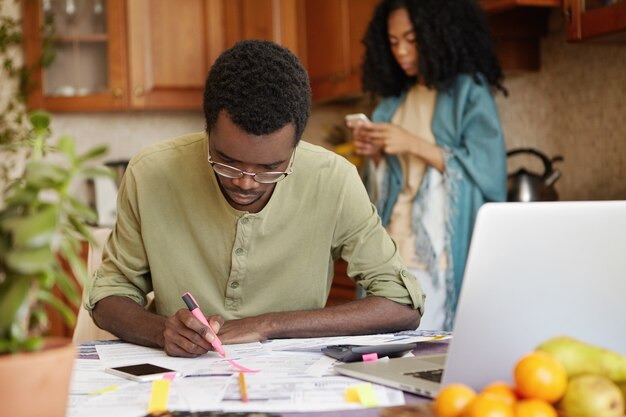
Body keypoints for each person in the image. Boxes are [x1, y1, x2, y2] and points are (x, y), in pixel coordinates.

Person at [85, 40, 425, 358]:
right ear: (207, 130)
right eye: (227, 161)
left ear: (295, 146)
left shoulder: (333, 179)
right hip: (178, 377)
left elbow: (403, 306)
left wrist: (268, 325)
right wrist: (163, 332)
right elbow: (108, 297)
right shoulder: (150, 173)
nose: (246, 183)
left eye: (271, 168)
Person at [349, 0, 507, 331]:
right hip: (391, 250)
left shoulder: (468, 92)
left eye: (412, 39)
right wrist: (375, 155)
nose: (402, 52)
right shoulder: (393, 103)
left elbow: (489, 171)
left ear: (438, 36)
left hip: (439, 257)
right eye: (393, 43)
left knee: (428, 352)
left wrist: (411, 144)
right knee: (385, 352)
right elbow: (385, 185)